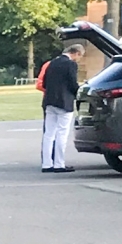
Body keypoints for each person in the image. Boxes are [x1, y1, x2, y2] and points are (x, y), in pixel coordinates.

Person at [38, 43, 79, 171]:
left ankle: (46, 163)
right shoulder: (71, 64)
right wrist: (79, 93)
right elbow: (73, 83)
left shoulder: (52, 63)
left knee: (49, 134)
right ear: (76, 53)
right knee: (62, 133)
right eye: (79, 56)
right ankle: (59, 163)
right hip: (64, 102)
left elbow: (44, 83)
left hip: (49, 101)